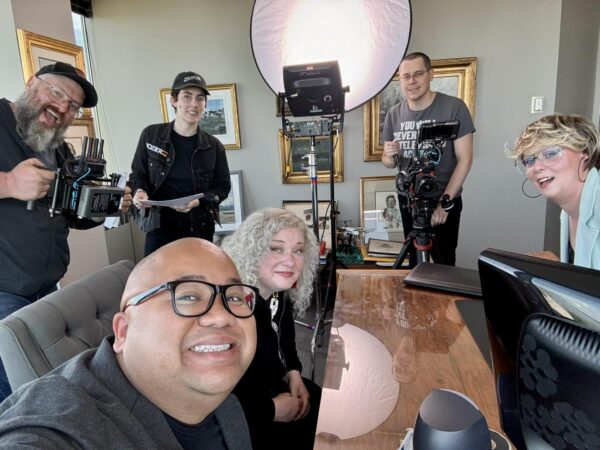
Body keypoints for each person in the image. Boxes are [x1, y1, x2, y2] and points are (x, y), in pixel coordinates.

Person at [0, 238, 257, 449]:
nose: (222, 316)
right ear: (123, 331)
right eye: (188, 295)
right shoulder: (62, 423)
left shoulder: (224, 401)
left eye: (234, 297)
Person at [0, 62, 131, 402]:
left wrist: (108, 205)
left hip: (47, 288)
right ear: (31, 82)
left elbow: (71, 215)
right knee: (14, 394)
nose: (62, 107)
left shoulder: (57, 147)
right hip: (4, 292)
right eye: (57, 92)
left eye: (72, 105)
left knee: (45, 388)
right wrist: (9, 183)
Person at [222, 208, 322, 450]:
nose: (290, 261)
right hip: (243, 419)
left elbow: (286, 345)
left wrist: (294, 373)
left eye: (298, 250)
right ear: (252, 251)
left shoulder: (276, 294)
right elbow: (213, 400)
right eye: (276, 248)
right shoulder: (231, 310)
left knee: (318, 398)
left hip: (272, 388)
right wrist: (273, 410)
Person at [381, 52, 475, 267]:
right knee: (415, 262)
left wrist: (444, 203)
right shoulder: (394, 114)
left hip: (444, 198)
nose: (411, 81)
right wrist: (388, 154)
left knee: (444, 263)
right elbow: (389, 162)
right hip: (409, 201)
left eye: (418, 74)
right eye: (406, 76)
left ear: (431, 74)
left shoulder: (454, 107)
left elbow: (465, 159)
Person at [130, 71, 231, 256]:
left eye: (200, 98)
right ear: (174, 100)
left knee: (198, 281)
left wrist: (198, 201)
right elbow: (138, 174)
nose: (194, 104)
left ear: (205, 104)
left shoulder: (214, 146)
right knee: (157, 281)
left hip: (199, 228)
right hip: (159, 227)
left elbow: (222, 188)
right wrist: (140, 191)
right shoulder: (151, 135)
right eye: (187, 97)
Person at [508, 114, 600, 269]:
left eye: (550, 154)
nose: (536, 167)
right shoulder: (567, 211)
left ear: (585, 155)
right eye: (529, 160)